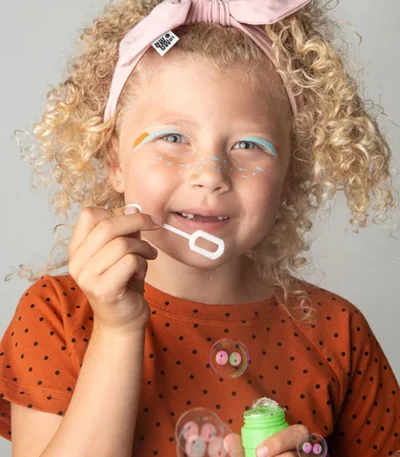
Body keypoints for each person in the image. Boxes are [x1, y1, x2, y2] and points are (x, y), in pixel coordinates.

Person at [0, 0, 399, 456]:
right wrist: (117, 330)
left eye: (249, 145)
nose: (210, 175)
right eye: (173, 138)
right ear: (114, 159)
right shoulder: (57, 315)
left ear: (291, 170)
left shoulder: (337, 333)